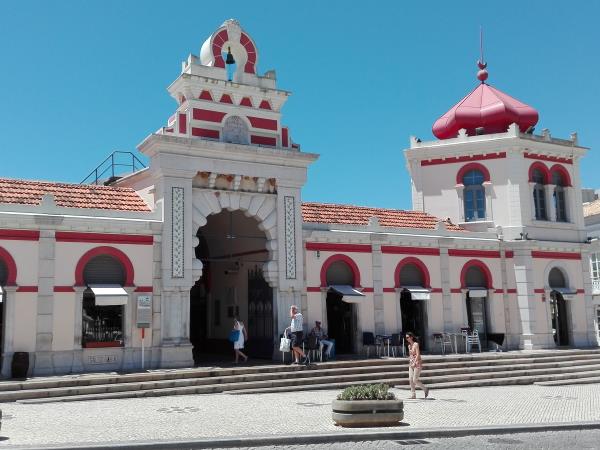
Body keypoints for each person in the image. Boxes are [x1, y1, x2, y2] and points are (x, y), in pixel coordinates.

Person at [406, 332, 429, 399]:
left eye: (407, 337)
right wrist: (410, 361)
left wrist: (414, 362)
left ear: (411, 337)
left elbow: (418, 354)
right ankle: (413, 395)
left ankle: (425, 389)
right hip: (411, 363)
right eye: (406, 337)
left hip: (417, 363)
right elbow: (411, 355)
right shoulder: (409, 346)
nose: (407, 339)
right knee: (410, 379)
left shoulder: (416, 344)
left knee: (415, 380)